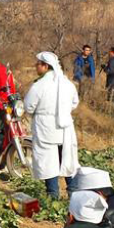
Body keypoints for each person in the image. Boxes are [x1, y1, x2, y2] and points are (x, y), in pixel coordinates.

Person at [24, 52, 80, 199]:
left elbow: (28, 106)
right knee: (67, 158)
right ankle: (73, 193)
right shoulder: (67, 83)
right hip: (65, 128)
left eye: (38, 64)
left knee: (48, 161)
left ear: (45, 66)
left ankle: (52, 195)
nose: (36, 66)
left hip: (45, 127)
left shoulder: (39, 85)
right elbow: (75, 102)